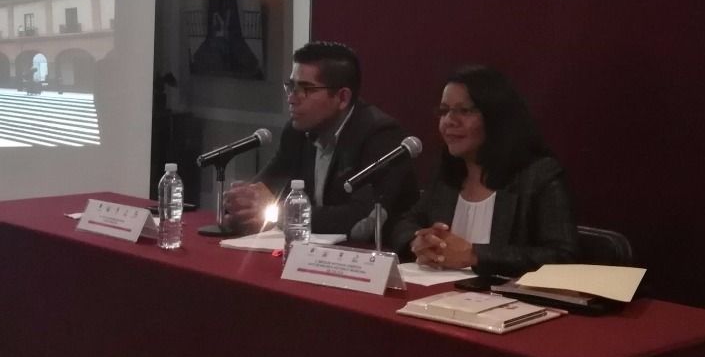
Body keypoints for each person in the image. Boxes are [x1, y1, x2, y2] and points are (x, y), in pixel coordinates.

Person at [391, 65, 578, 277]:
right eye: (444, 111)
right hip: (442, 293)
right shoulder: (447, 175)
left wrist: (475, 256)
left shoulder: (538, 176)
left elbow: (563, 257)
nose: (449, 121)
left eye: (464, 111)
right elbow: (404, 224)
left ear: (495, 117)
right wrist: (419, 241)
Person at [223, 42, 419, 241]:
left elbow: (360, 217)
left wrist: (280, 214)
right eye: (291, 86)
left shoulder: (380, 135)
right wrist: (242, 203)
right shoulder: (296, 132)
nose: (291, 98)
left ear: (342, 98)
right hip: (315, 252)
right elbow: (265, 189)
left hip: (375, 253)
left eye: (305, 89)